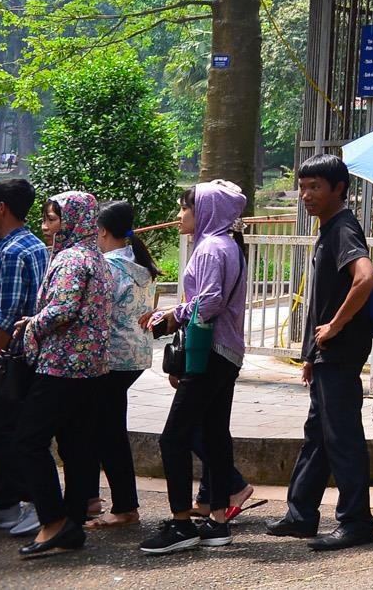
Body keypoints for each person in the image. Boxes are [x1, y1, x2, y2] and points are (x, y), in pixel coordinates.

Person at [270, 155, 373, 551]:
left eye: (315, 186)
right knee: (318, 434)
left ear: (339, 189)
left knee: (342, 437)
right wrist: (311, 356)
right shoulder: (329, 229)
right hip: (325, 356)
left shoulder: (344, 229)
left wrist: (334, 326)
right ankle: (301, 515)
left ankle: (356, 522)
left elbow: (364, 279)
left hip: (341, 352)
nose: (305, 195)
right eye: (303, 186)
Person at [141, 181, 252, 556]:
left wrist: (173, 314)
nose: (179, 216)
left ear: (204, 210)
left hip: (209, 353)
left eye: (184, 209)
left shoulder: (210, 248)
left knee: (174, 437)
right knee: (216, 435)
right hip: (228, 352)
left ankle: (180, 523)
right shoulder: (229, 245)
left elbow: (209, 303)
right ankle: (218, 522)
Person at [13, 190, 114, 558]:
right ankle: (71, 524)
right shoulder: (95, 256)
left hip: (62, 365)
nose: (45, 226)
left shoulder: (72, 259)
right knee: (77, 445)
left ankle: (52, 521)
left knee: (29, 440)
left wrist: (31, 325)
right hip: (91, 369)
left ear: (71, 220)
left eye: (52, 219)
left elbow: (63, 309)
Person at [0, 178, 47, 538]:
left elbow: (6, 314)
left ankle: (31, 503)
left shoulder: (13, 251)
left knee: (3, 432)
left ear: (2, 208)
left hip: (9, 358)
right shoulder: (34, 245)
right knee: (4, 429)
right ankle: (4, 504)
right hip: (24, 356)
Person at [87, 201, 156, 532]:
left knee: (107, 431)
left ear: (101, 231)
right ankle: (107, 501)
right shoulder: (139, 264)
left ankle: (124, 506)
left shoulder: (107, 268)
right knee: (107, 426)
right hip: (138, 356)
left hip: (112, 358)